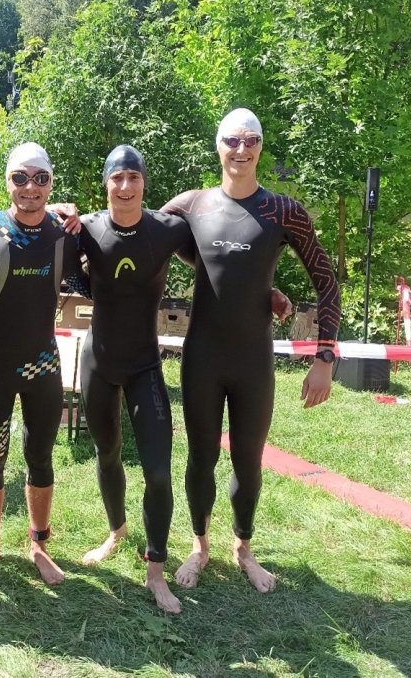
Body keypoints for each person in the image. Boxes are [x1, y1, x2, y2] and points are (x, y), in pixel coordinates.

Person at [77, 146, 291, 612]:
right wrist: (56, 209)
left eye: (134, 177)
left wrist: (264, 289)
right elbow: (40, 242)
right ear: (105, 183)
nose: (126, 186)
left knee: (157, 471)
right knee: (107, 453)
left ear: (145, 183)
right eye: (117, 178)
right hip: (98, 361)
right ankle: (116, 532)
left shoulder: (167, 228)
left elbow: (220, 256)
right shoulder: (86, 228)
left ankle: (156, 573)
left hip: (144, 366)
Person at [162, 108, 340, 593]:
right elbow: (136, 230)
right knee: (200, 457)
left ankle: (243, 548)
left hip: (252, 361)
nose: (241, 149)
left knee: (248, 460)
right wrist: (75, 223)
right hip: (203, 357)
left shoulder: (283, 211)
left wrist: (325, 357)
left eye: (251, 140)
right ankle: (200, 545)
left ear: (261, 146)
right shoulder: (192, 205)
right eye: (232, 140)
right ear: (217, 145)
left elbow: (326, 282)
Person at [0, 142, 83, 586]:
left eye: (40, 178)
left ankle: (39, 547)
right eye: (20, 178)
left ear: (51, 183)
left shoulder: (66, 232)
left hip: (43, 367)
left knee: (40, 458)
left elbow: (97, 275)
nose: (31, 187)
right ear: (7, 181)